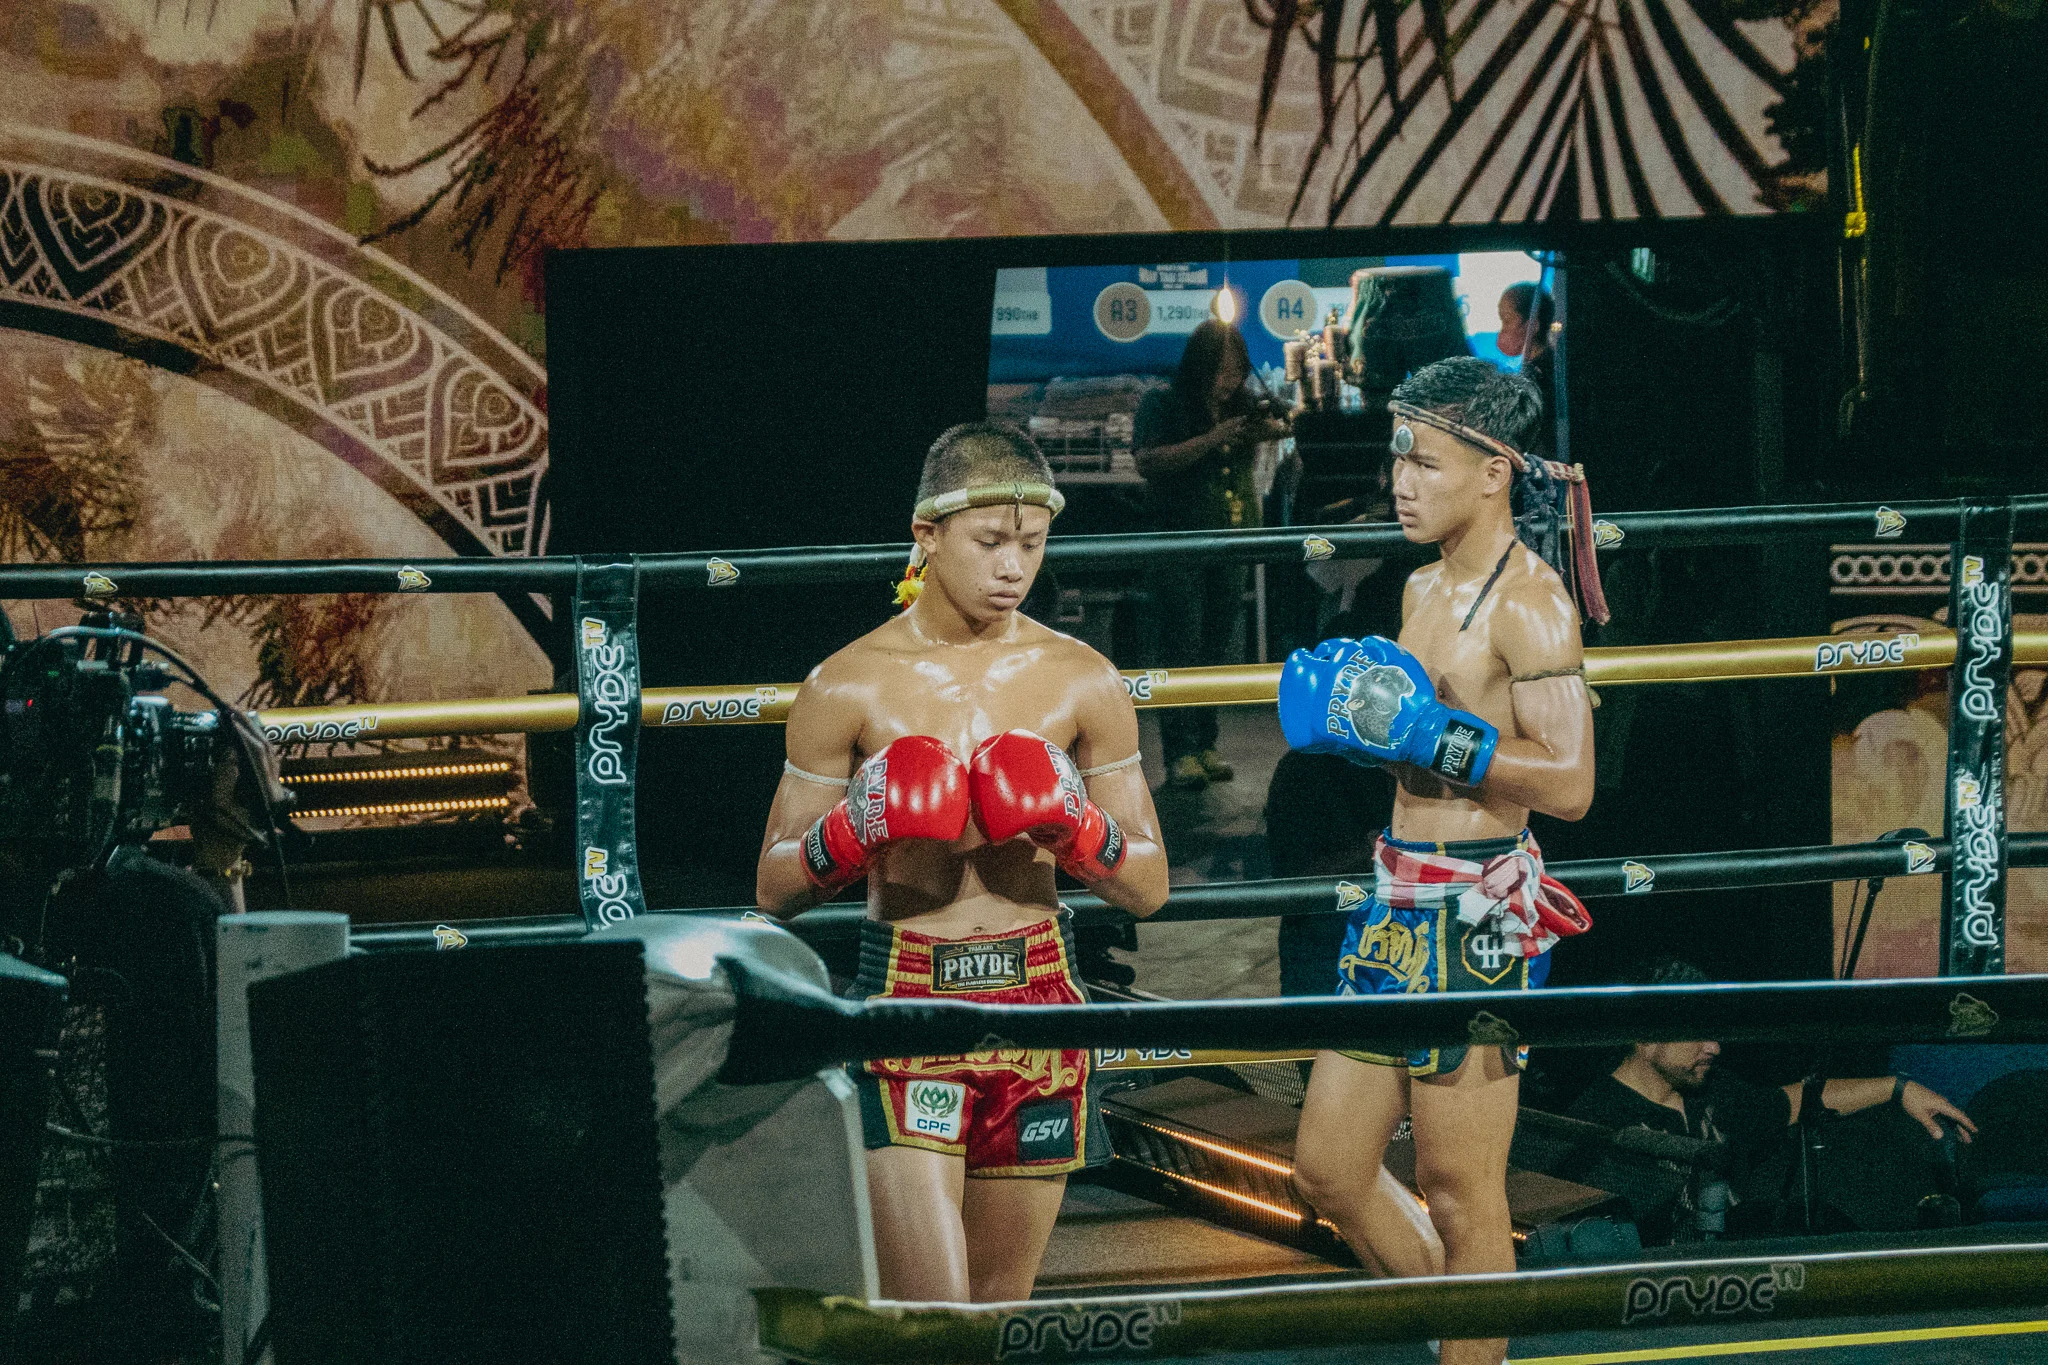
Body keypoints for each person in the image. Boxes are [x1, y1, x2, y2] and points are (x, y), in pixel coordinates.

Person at [754, 421, 1170, 1303]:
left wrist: (1073, 827)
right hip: (911, 1003)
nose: (1014, 566)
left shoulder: (1081, 678)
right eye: (990, 542)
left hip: (1042, 1004)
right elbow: (774, 885)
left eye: (1032, 541)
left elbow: (1149, 884)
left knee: (998, 1309)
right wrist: (857, 827)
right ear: (928, 535)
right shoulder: (847, 684)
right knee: (935, 1321)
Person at [1277, 357, 1596, 1365]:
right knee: (1327, 1168)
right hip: (1393, 901)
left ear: (1493, 470)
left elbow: (1572, 782)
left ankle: (1472, 1347)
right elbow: (1405, 746)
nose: (1400, 482)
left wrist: (1430, 737)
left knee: (1464, 1197)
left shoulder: (1532, 605)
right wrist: (1368, 732)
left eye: (1422, 460)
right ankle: (1468, 1339)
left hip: (1477, 920)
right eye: (1395, 459)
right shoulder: (1417, 588)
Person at [1566, 958, 1977, 1244]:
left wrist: (1897, 1088)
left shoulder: (1714, 1092)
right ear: (1646, 1034)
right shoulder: (1595, 1122)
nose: (1715, 1047)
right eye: (1699, 1032)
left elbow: (1796, 1099)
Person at [1133, 319, 1289, 790]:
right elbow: (1148, 460)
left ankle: (1206, 744)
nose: (1231, 378)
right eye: (1221, 368)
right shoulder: (1164, 403)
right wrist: (1212, 438)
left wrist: (1275, 417)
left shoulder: (1243, 406)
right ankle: (1179, 752)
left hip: (1233, 540)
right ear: (1199, 366)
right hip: (1179, 541)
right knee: (1180, 644)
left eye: (1237, 368)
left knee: (1217, 645)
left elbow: (1283, 426)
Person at [1496, 282, 1556, 458]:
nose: (1501, 330)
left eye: (1506, 320)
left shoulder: (1541, 375)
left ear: (1533, 327)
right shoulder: (1533, 367)